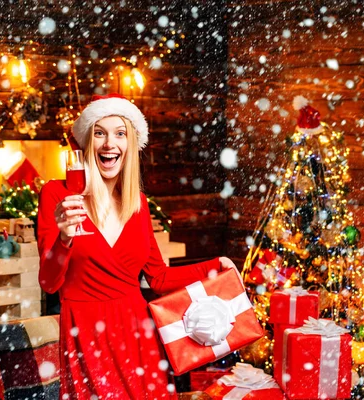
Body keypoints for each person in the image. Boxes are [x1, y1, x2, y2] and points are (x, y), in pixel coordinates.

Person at [37, 94, 240, 399]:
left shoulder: (138, 205)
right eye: (99, 133)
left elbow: (158, 279)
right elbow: (49, 283)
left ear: (131, 144)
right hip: (85, 332)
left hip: (136, 334)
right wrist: (64, 238)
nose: (109, 144)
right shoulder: (58, 195)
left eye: (120, 134)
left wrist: (215, 265)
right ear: (86, 142)